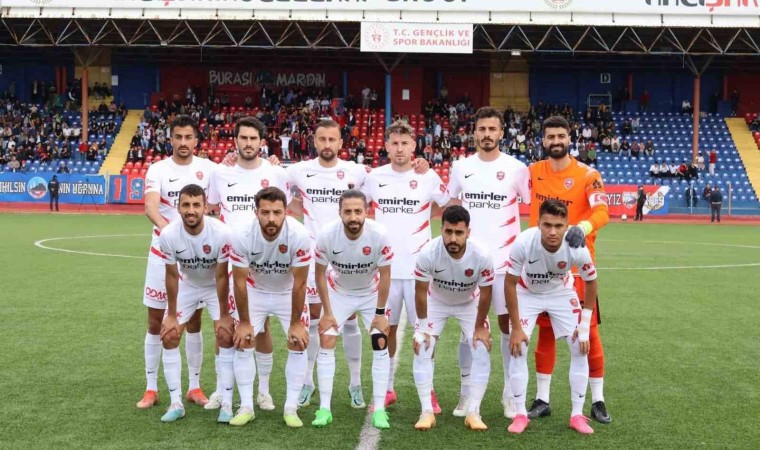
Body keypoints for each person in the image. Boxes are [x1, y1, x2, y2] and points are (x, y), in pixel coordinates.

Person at [287, 120, 428, 409]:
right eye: (322, 139)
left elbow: (391, 179)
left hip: (353, 257)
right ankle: (308, 383)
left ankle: (355, 385)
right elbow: (277, 187)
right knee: (315, 322)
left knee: (350, 322)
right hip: (318, 258)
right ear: (314, 141)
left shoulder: (357, 172)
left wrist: (419, 163)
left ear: (341, 143)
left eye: (332, 139)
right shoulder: (298, 170)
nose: (327, 144)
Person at [527, 116, 611, 424]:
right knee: (546, 332)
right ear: (543, 140)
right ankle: (542, 399)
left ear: (570, 138)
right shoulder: (533, 171)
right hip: (542, 268)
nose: (556, 141)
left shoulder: (588, 175)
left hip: (577, 269)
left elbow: (602, 211)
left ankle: (598, 401)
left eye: (561, 135)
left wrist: (583, 227)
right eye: (550, 136)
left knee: (589, 333)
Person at [447, 106, 530, 419]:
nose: (486, 134)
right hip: (469, 264)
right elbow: (450, 202)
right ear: (474, 133)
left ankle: (510, 394)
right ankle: (466, 393)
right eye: (481, 129)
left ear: (501, 133)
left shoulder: (517, 169)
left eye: (492, 129)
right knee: (468, 330)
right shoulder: (460, 167)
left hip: (506, 265)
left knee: (508, 327)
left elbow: (530, 203)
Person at [361, 120, 450, 411]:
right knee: (385, 331)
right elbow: (356, 205)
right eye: (394, 144)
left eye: (404, 143)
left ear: (413, 146)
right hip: (385, 271)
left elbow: (447, 203)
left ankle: (429, 390)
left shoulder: (428, 176)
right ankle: (387, 389)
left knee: (425, 331)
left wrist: (425, 216)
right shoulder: (374, 177)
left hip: (418, 272)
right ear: (386, 147)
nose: (399, 149)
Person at [206, 117, 289, 413]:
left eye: (254, 138)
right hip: (230, 260)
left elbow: (284, 211)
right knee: (224, 327)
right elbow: (212, 207)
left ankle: (263, 391)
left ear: (262, 142)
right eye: (244, 138)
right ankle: (221, 389)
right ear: (236, 140)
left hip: (264, 260)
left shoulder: (275, 172)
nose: (248, 143)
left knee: (262, 327)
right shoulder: (220, 172)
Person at [136, 115, 217, 410]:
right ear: (170, 139)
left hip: (198, 260)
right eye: (178, 137)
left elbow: (219, 202)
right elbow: (151, 208)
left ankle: (194, 386)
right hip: (163, 254)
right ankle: (151, 388)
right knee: (156, 321)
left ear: (196, 140)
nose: (183, 142)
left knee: (194, 322)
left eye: (188, 137)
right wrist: (174, 237)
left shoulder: (209, 169)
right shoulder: (158, 169)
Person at [506, 199, 599, 435]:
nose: (553, 232)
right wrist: (516, 327)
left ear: (567, 225)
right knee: (518, 347)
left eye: (558, 226)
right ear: (538, 224)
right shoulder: (524, 242)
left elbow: (591, 282)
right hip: (527, 293)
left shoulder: (576, 247)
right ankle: (520, 414)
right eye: (547, 225)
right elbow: (509, 283)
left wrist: (585, 325)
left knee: (580, 345)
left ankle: (577, 415)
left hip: (561, 293)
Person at [228, 187, 312, 427]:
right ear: (256, 212)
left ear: (286, 212)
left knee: (298, 342)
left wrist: (296, 323)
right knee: (243, 341)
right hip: (255, 290)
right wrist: (244, 323)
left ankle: (291, 408)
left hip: (288, 291)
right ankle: (246, 406)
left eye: (277, 212)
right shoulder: (242, 234)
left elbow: (300, 282)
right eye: (265, 212)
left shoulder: (299, 234)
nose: (271, 218)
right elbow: (239, 282)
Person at [311, 190, 394, 429]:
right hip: (339, 292)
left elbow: (385, 275)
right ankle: (324, 408)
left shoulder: (379, 234)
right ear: (340, 213)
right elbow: (319, 274)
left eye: (358, 211)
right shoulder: (327, 235)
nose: (353, 217)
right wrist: (327, 313)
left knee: (380, 340)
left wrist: (380, 314)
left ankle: (379, 409)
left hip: (370, 293)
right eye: (347, 211)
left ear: (366, 212)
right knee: (327, 338)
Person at [411, 206, 494, 431]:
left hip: (469, 302)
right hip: (436, 301)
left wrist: (480, 326)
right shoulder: (428, 252)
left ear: (468, 232)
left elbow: (486, 293)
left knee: (481, 347)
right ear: (441, 230)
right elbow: (420, 291)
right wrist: (422, 328)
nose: (453, 238)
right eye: (448, 232)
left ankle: (473, 412)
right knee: (423, 345)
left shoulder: (482, 255)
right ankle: (426, 412)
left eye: (459, 232)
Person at [157, 184, 232, 422]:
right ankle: (176, 403)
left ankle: (225, 401)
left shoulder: (221, 232)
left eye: (196, 205)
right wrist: (171, 315)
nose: (191, 210)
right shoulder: (168, 234)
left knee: (225, 335)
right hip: (188, 286)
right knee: (169, 335)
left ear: (205, 207)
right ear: (178, 207)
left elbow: (222, 276)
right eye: (186, 205)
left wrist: (224, 315)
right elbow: (171, 275)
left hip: (215, 285)